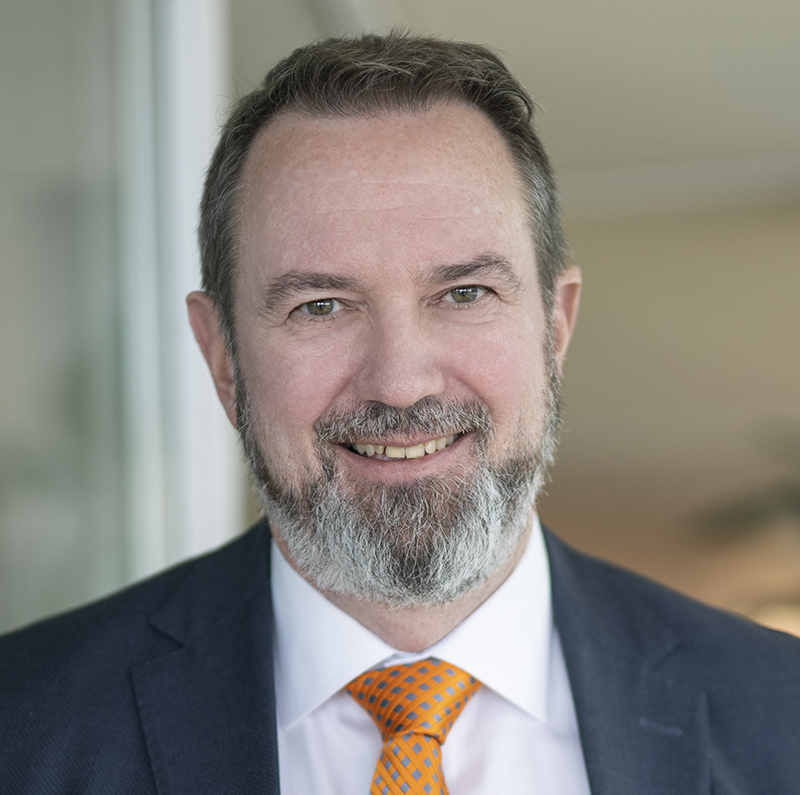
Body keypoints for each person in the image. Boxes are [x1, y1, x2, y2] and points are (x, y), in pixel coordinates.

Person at [1, 32, 798, 795]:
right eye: (320, 305)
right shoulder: (24, 729)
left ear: (555, 326)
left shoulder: (782, 716)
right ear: (222, 356)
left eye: (464, 293)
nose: (401, 384)